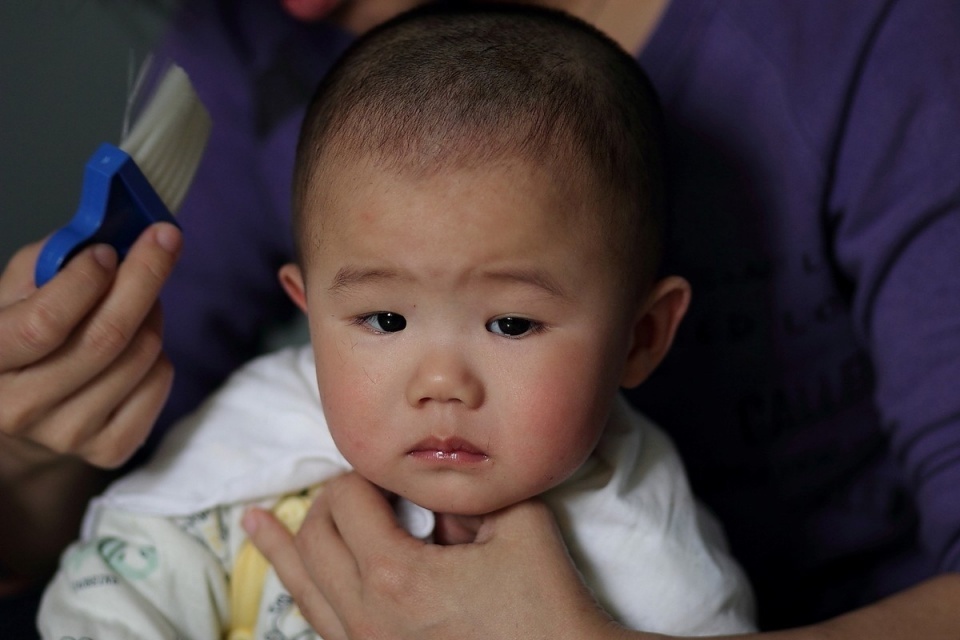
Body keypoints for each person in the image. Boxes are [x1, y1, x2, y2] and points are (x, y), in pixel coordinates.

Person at [4, 0, 960, 636]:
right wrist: (24, 449)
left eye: (510, 325)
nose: (440, 381)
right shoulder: (263, 433)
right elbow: (115, 559)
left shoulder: (644, 535)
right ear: (308, 306)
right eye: (381, 320)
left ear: (642, 338)